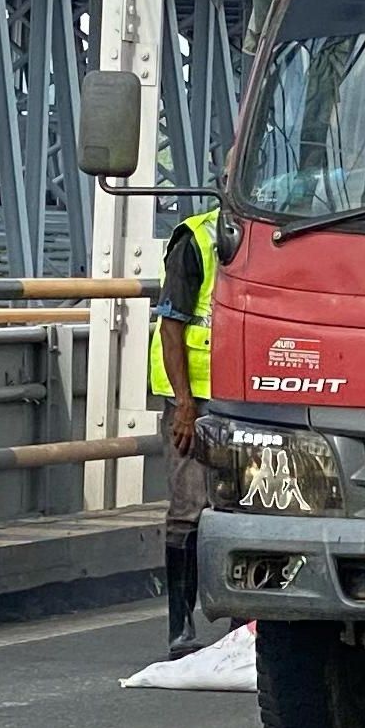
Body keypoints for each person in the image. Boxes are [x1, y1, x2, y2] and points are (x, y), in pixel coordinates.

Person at [153, 206, 220, 659]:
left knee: (249, 508)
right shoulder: (197, 237)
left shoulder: (273, 235)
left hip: (249, 396)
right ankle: (182, 627)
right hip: (195, 398)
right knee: (189, 508)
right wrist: (183, 403)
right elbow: (172, 324)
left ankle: (247, 628)